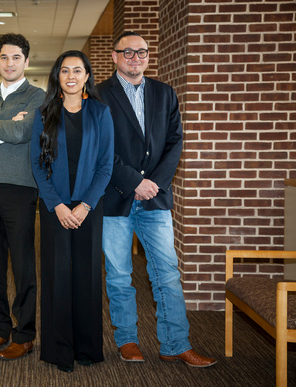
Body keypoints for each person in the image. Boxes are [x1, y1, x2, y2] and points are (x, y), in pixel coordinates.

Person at [96, 31, 216, 367]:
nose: (135, 58)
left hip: (155, 200)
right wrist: (134, 181)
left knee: (167, 272)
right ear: (115, 57)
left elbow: (174, 142)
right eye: (128, 52)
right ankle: (127, 340)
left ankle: (176, 343)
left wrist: (154, 184)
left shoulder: (165, 93)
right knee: (119, 274)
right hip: (114, 199)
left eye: (142, 53)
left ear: (149, 57)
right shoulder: (98, 94)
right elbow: (100, 149)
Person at [30, 50, 114, 373]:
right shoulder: (44, 113)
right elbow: (37, 165)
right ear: (58, 77)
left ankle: (87, 348)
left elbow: (106, 165)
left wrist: (85, 205)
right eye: (65, 71)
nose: (71, 76)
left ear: (87, 76)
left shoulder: (101, 113)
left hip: (89, 207)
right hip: (55, 209)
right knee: (57, 276)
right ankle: (58, 349)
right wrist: (59, 206)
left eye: (77, 71)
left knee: (87, 276)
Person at [0, 33, 46, 360]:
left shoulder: (37, 96)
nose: (9, 63)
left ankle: (25, 333)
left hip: (21, 190)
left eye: (16, 57)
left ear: (26, 61)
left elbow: (22, 132)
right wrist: (1, 131)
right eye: (4, 57)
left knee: (23, 264)